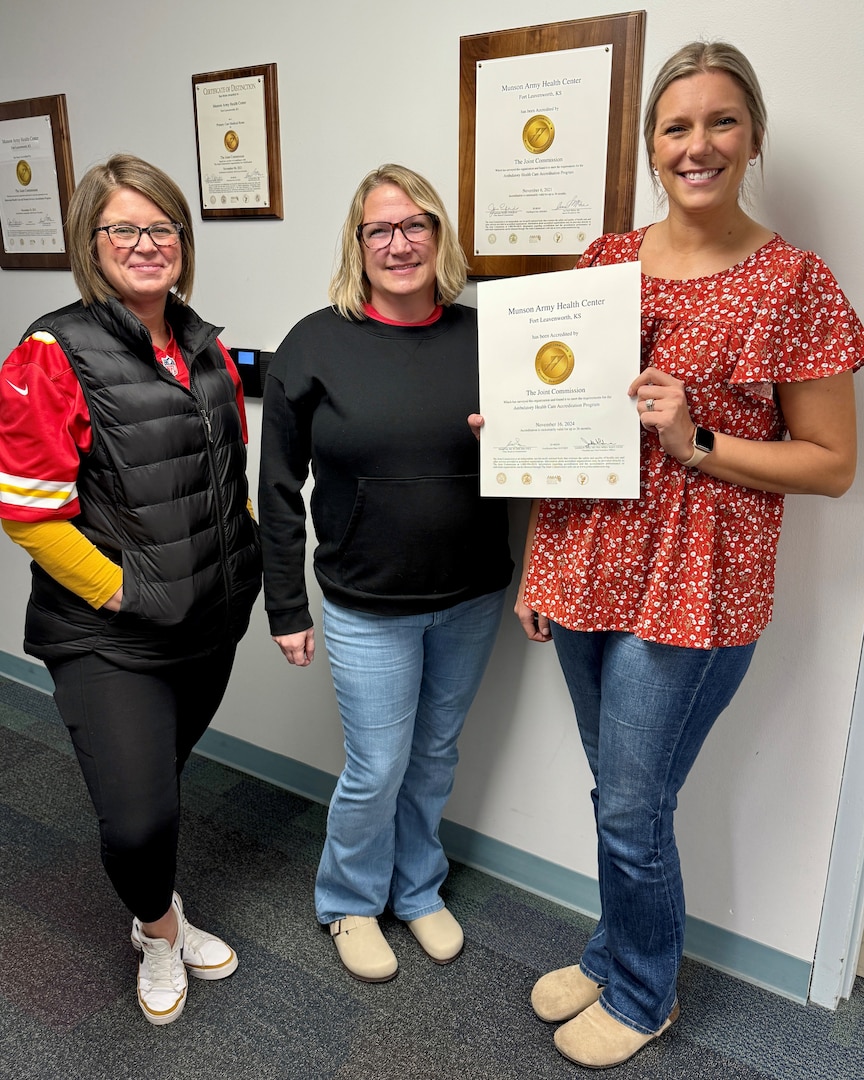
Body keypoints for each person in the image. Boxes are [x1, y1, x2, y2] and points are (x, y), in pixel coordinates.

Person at [508, 42, 862, 1070]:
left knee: (632, 802)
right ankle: (615, 945)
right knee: (617, 791)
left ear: (752, 137)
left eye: (719, 122)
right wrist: (534, 526)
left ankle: (643, 988)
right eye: (676, 126)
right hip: (584, 561)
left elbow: (833, 464)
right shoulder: (603, 262)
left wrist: (697, 439)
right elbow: (562, 432)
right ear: (651, 146)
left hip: (695, 589)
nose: (696, 144)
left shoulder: (794, 282)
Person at [0, 155, 262, 1025]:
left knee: (158, 786)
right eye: (125, 229)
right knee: (139, 821)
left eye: (164, 228)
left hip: (208, 622)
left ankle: (154, 902)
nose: (148, 244)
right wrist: (125, 594)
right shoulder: (51, 351)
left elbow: (225, 469)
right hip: (113, 635)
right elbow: (30, 516)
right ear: (91, 242)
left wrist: (245, 557)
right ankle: (158, 929)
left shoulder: (202, 341)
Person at [258, 164, 512, 983]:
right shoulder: (315, 342)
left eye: (416, 225)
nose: (399, 243)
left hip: (471, 595)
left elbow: (539, 457)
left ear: (440, 237)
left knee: (435, 754)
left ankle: (417, 888)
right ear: (357, 246)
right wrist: (286, 604)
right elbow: (277, 488)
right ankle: (350, 902)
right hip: (367, 602)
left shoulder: (489, 337)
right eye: (380, 230)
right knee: (376, 767)